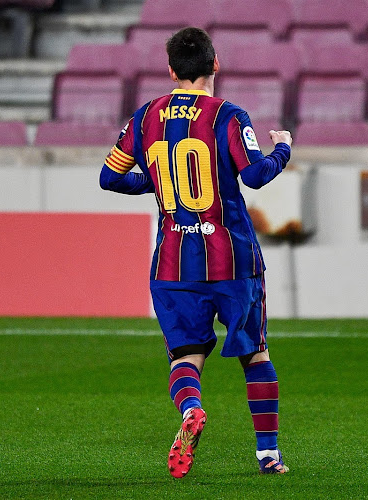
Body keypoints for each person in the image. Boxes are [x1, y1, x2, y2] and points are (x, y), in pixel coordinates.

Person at [99, 26, 291, 478]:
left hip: (173, 262)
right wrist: (282, 148)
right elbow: (256, 175)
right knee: (254, 353)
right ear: (215, 64)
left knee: (185, 356)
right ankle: (268, 456)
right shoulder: (228, 116)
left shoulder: (145, 117)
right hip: (232, 260)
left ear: (170, 70)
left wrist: (153, 179)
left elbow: (110, 177)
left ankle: (190, 409)